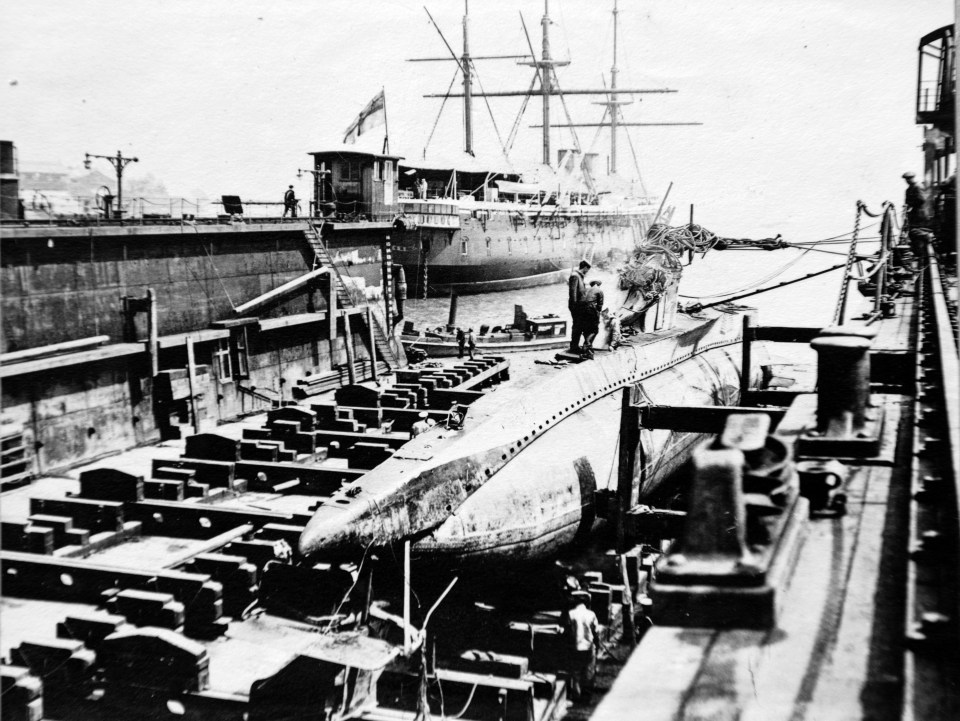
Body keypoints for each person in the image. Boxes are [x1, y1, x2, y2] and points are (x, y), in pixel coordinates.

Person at [566, 594, 601, 701]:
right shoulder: (591, 614)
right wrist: (597, 644)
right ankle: (586, 696)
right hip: (589, 647)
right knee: (588, 671)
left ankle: (576, 695)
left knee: (576, 672)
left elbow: (568, 632)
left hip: (576, 647)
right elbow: (596, 631)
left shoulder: (571, 614)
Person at [567, 259, 591, 354]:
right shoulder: (575, 276)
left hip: (580, 306)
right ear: (585, 267)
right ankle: (574, 347)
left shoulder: (579, 276)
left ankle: (575, 346)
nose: (587, 272)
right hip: (576, 307)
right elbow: (572, 293)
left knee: (579, 326)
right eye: (587, 269)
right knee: (577, 327)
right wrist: (575, 306)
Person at [580, 280, 604, 359]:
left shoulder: (586, 290)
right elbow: (600, 305)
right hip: (591, 311)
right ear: (597, 284)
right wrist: (597, 314)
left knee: (586, 330)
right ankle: (586, 349)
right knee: (594, 330)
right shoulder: (599, 290)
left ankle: (588, 349)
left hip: (582, 311)